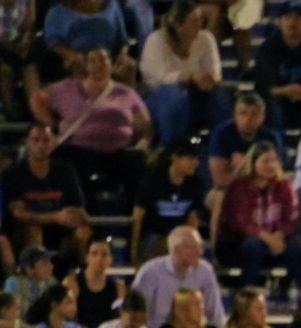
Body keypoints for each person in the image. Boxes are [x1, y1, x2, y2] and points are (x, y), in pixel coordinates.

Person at [30, 46, 149, 209]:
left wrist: (142, 141)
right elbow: (37, 98)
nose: (98, 65)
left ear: (110, 64)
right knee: (68, 166)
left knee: (138, 163)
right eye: (93, 60)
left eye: (102, 60)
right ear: (86, 66)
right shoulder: (67, 88)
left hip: (117, 152)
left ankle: (134, 220)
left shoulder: (126, 93)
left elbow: (144, 123)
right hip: (79, 150)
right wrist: (50, 124)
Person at [215, 141, 301, 292]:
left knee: (294, 246)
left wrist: (279, 235)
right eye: (265, 161)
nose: (270, 165)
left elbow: (292, 217)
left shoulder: (283, 185)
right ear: (253, 163)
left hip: (276, 237)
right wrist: (268, 238)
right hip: (240, 240)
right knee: (253, 246)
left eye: (274, 160)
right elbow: (241, 222)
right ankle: (247, 292)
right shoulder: (239, 186)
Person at [140, 0, 229, 149]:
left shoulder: (205, 39)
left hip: (196, 94)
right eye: (193, 21)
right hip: (161, 97)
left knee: (218, 97)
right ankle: (174, 149)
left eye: (200, 19)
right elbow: (156, 78)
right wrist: (188, 76)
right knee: (174, 96)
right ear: (178, 24)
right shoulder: (156, 40)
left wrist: (208, 80)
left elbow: (214, 72)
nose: (199, 24)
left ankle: (221, 148)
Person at [1, 124, 90, 262]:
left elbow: (78, 206)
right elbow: (18, 213)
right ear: (27, 143)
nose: (41, 145)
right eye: (36, 140)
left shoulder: (66, 171)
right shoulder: (14, 174)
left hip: (60, 227)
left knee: (83, 231)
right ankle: (37, 276)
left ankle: (82, 274)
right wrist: (55, 217)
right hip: (26, 228)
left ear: (53, 143)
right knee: (33, 231)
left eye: (46, 140)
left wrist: (82, 222)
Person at [131, 225, 226, 328]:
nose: (200, 252)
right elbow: (137, 313)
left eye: (200, 246)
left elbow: (215, 313)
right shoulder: (150, 272)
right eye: (194, 247)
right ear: (177, 249)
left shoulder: (205, 271)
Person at [254, 0, 301, 137]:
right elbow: (266, 86)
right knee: (273, 106)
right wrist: (287, 91)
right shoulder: (267, 48)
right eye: (288, 17)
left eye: (298, 18)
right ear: (280, 21)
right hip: (276, 98)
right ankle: (277, 148)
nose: (293, 22)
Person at [131, 137, 205, 264]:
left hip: (180, 238)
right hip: (153, 236)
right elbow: (138, 218)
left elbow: (192, 220)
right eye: (190, 158)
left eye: (197, 158)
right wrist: (134, 254)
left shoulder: (195, 183)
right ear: (175, 158)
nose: (195, 163)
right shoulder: (153, 180)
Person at [207, 91, 285, 197]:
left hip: (262, 190)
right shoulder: (221, 135)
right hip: (231, 191)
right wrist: (259, 169)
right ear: (235, 115)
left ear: (262, 117)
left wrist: (243, 165)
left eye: (254, 114)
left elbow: (276, 175)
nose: (248, 119)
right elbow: (219, 181)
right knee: (218, 196)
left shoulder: (271, 137)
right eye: (243, 113)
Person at [63, 235, 124, 328]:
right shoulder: (72, 283)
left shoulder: (118, 287)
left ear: (111, 259)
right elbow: (64, 316)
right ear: (87, 257)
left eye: (104, 254)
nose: (99, 259)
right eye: (94, 254)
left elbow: (123, 319)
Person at [5, 245, 57, 319]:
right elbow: (8, 315)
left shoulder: (53, 283)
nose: (51, 267)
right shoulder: (14, 284)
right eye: (44, 264)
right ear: (29, 269)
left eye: (50, 262)